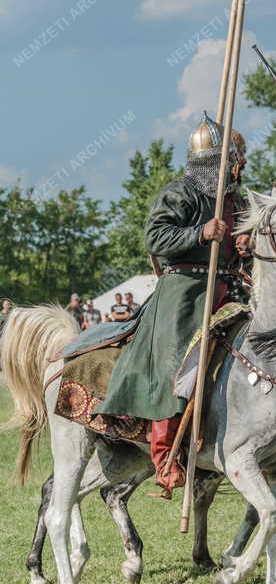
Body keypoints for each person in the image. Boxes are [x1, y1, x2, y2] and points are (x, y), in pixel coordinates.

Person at [98, 113, 250, 497]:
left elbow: (249, 239)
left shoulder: (237, 199)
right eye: (227, 160)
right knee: (177, 365)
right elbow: (156, 237)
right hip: (185, 291)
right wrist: (201, 231)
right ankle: (165, 456)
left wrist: (247, 244)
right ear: (209, 163)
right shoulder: (180, 193)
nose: (235, 166)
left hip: (231, 287)